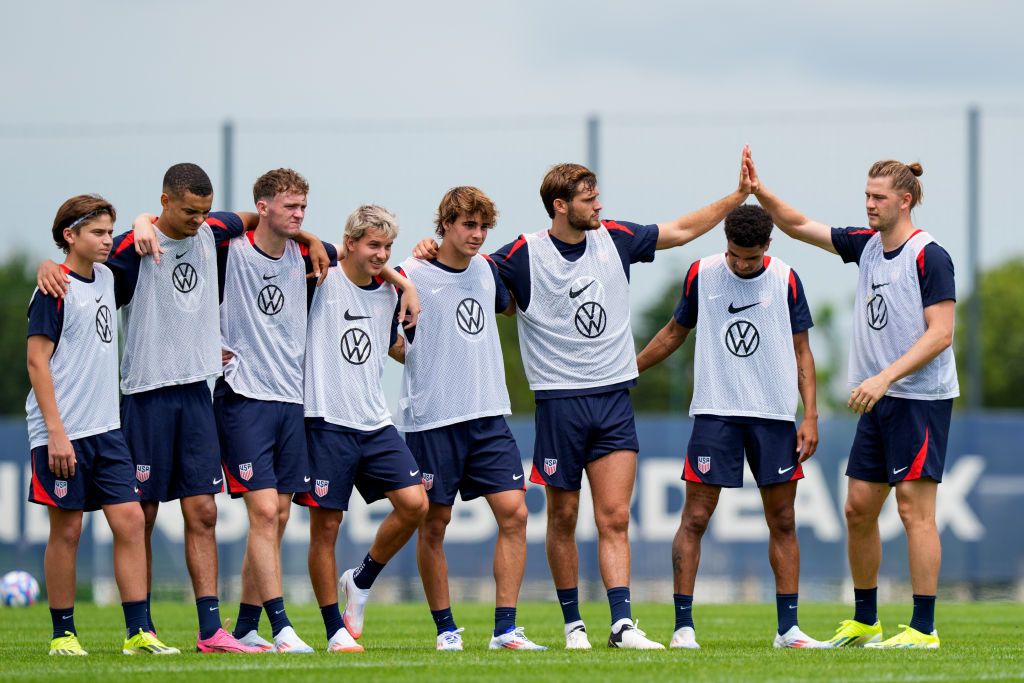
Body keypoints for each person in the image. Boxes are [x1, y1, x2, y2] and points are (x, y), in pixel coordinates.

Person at [415, 147, 756, 649]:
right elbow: (463, 264)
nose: (599, 207)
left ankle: (621, 624)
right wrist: (429, 247)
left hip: (614, 399)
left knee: (615, 517)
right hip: (559, 404)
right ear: (560, 205)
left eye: (598, 198)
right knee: (564, 518)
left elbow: (680, 229)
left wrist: (739, 196)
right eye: (589, 199)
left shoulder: (615, 238)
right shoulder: (521, 255)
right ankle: (574, 625)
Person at [37, 163, 329, 653]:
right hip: (146, 396)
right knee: (142, 515)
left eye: (203, 211)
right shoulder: (131, 245)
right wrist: (138, 224)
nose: (198, 220)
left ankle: (211, 630)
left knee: (203, 513)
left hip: (197, 393)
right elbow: (82, 267)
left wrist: (314, 240)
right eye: (188, 211)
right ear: (166, 202)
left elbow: (263, 220)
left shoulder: (214, 229)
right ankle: (141, 628)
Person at [752, 156, 957, 649]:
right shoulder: (866, 247)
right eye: (866, 195)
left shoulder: (930, 256)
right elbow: (799, 225)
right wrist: (759, 192)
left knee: (914, 511)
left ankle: (924, 629)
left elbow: (942, 334)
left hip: (918, 399)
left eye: (878, 197)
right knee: (858, 509)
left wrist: (884, 377)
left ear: (904, 201)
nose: (868, 204)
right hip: (878, 401)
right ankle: (866, 620)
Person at [636, 204, 821, 649]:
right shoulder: (702, 274)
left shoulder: (787, 278)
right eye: (734, 255)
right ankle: (683, 628)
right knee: (695, 518)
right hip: (715, 412)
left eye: (751, 258)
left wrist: (810, 415)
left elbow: (803, 353)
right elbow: (673, 333)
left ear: (768, 248)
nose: (741, 264)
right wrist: (628, 370)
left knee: (784, 519)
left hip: (774, 417)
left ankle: (788, 630)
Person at [27, 195, 177, 655]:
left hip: (108, 429)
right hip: (62, 431)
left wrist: (133, 221)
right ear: (70, 236)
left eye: (110, 231)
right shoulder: (52, 289)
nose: (108, 240)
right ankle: (63, 634)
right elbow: (36, 362)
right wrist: (56, 432)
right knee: (67, 530)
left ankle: (138, 632)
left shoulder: (110, 278)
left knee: (131, 521)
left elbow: (158, 221)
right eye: (97, 232)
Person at [397, 187, 543, 650]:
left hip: (488, 416)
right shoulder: (410, 274)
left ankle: (505, 629)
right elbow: (385, 334)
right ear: (445, 226)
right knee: (434, 523)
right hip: (433, 419)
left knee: (514, 514)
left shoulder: (486, 271)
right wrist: (419, 358)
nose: (477, 235)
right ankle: (446, 630)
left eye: (483, 227)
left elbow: (511, 304)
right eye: (468, 225)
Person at [294, 204, 428, 653]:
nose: (381, 254)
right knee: (326, 528)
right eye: (373, 245)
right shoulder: (321, 277)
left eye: (387, 247)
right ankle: (334, 631)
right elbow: (291, 238)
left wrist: (403, 283)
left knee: (415, 504)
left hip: (375, 421)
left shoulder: (389, 295)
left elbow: (392, 346)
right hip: (326, 421)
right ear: (348, 243)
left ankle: (362, 578)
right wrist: (403, 279)